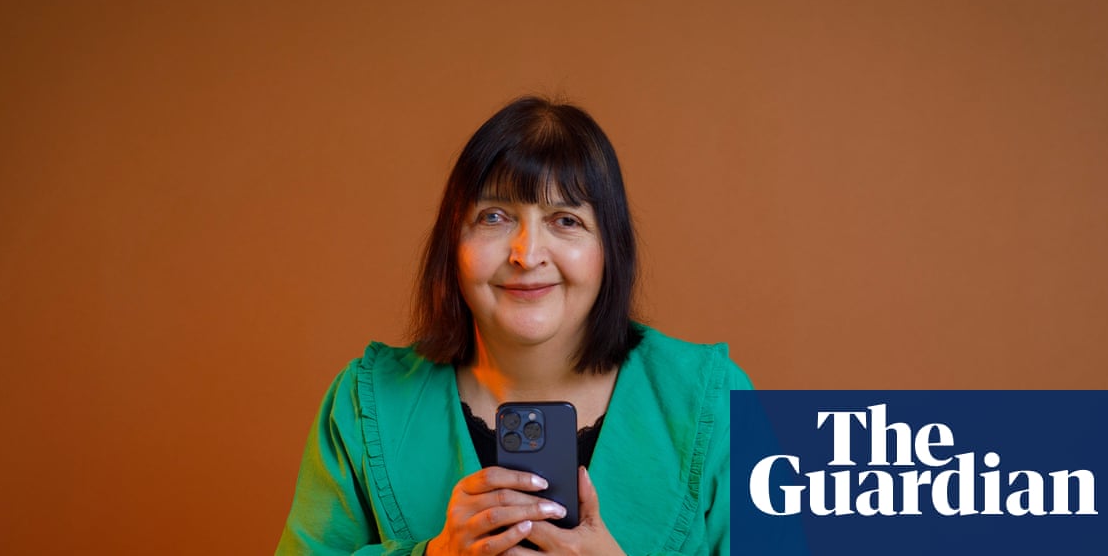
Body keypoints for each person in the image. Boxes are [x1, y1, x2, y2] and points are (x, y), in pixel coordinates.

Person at [277, 96, 753, 555]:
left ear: (611, 248)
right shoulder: (359, 400)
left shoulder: (728, 394)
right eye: (494, 217)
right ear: (452, 244)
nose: (527, 255)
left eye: (565, 220)